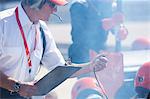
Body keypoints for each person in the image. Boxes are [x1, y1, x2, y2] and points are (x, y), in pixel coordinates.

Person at [0, 0, 108, 98]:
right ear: (36, 2)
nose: (55, 10)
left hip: (24, 94)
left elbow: (60, 68)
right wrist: (16, 86)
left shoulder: (42, 28)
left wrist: (90, 66)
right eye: (52, 5)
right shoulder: (2, 23)